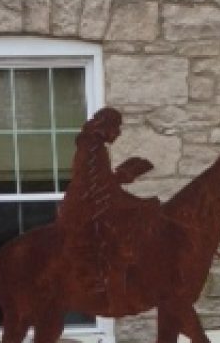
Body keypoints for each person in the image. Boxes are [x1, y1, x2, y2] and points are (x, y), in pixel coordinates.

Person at [57, 106, 159, 309]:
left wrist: (122, 176)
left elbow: (101, 182)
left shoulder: (95, 146)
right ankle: (112, 277)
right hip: (86, 210)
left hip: (95, 203)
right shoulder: (91, 147)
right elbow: (96, 186)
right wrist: (125, 176)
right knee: (142, 212)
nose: (119, 133)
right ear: (106, 127)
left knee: (146, 208)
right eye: (116, 128)